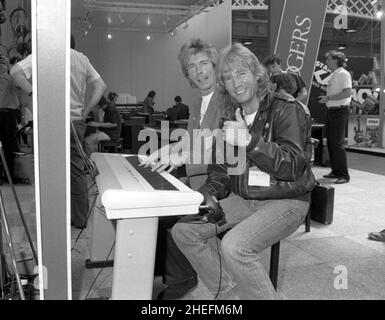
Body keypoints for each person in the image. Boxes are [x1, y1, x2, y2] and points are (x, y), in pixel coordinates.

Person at [171, 43, 315, 300]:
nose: (235, 82)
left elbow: (292, 165)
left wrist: (249, 141)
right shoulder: (230, 116)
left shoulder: (285, 108)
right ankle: (233, 294)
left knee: (235, 246)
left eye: (241, 73)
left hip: (287, 199)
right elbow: (220, 172)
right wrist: (202, 197)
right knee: (185, 232)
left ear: (256, 74)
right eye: (228, 77)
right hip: (248, 198)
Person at [141, 38, 223, 300]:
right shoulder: (199, 103)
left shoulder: (226, 99)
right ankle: (163, 276)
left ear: (214, 65)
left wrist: (184, 155)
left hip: (220, 183)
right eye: (192, 66)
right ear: (187, 74)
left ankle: (181, 281)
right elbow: (192, 139)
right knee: (151, 210)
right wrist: (166, 150)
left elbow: (222, 146)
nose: (199, 71)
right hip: (197, 177)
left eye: (203, 63)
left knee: (170, 218)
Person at [10, 35, 107, 228]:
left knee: (49, 171)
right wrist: (86, 111)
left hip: (51, 120)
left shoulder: (46, 54)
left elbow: (15, 72)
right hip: (76, 121)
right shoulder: (82, 58)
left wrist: (33, 92)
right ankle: (79, 220)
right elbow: (101, 85)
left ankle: (52, 224)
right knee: (77, 171)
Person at [318, 50, 352, 184]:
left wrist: (328, 97)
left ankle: (344, 174)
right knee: (331, 143)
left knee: (337, 143)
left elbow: (347, 93)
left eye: (328, 59)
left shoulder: (343, 74)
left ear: (336, 60)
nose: (326, 62)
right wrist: (328, 99)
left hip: (339, 111)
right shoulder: (335, 75)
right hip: (332, 111)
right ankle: (335, 170)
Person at [0, 55, 23, 183]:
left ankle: (9, 175)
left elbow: (19, 88)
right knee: (6, 146)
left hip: (9, 114)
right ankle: (5, 176)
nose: (1, 65)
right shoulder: (10, 78)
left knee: (10, 146)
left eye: (3, 62)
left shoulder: (12, 79)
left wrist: (10, 70)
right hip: (4, 114)